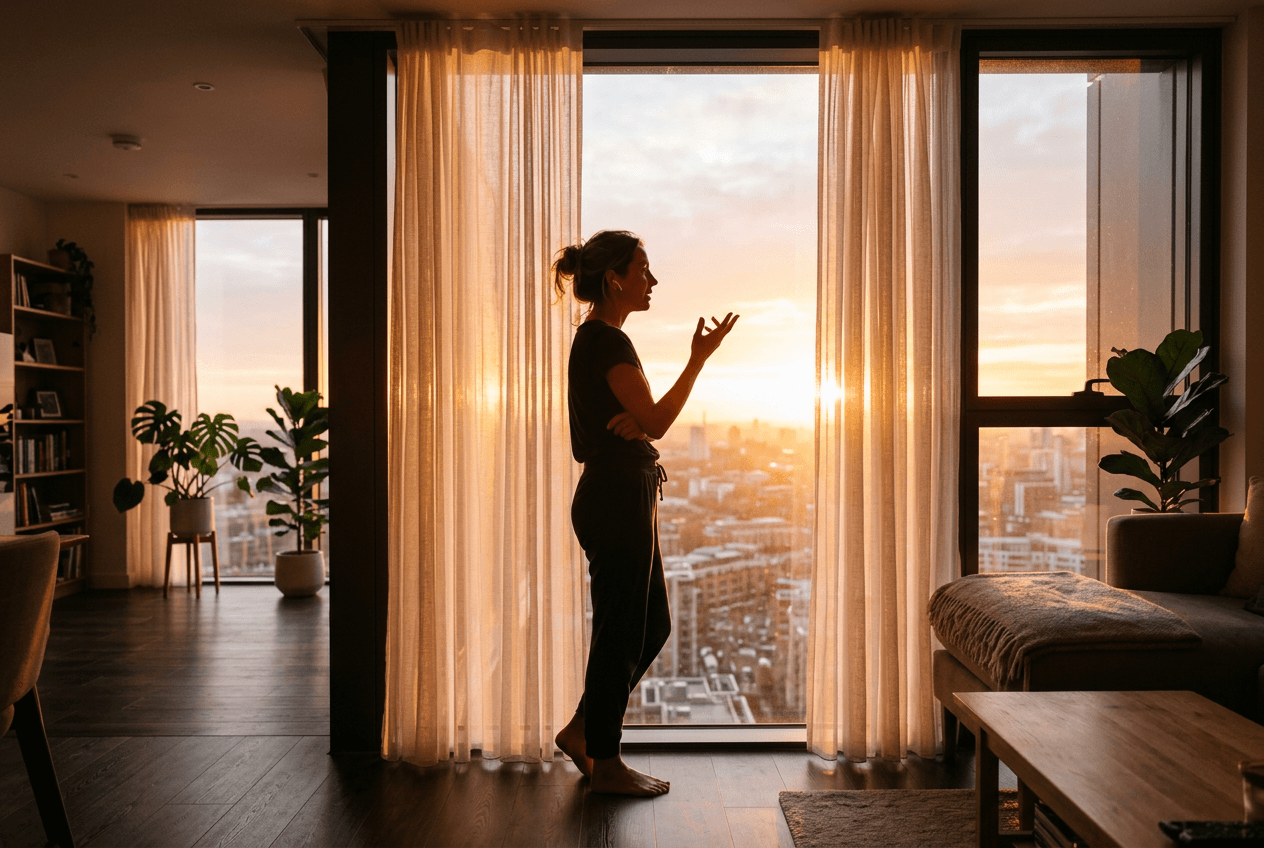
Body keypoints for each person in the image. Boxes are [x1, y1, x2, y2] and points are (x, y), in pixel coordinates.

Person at [550, 230, 738, 796]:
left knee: (649, 626)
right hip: (614, 497)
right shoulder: (605, 342)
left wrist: (641, 427)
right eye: (643, 269)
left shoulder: (600, 343)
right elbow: (655, 420)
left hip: (622, 490)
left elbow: (643, 420)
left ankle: (586, 729)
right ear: (614, 279)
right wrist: (697, 361)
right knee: (620, 632)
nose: (652, 281)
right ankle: (604, 760)